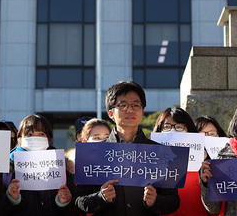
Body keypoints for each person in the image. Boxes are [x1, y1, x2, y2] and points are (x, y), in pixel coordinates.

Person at [75, 81, 180, 215]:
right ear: (111, 113)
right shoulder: (92, 152)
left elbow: (174, 201)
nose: (130, 110)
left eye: (136, 105)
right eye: (123, 105)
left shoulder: (161, 152)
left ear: (142, 112)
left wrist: (155, 201)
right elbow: (79, 200)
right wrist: (101, 197)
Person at [5, 114, 75, 215]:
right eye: (29, 134)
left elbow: (72, 208)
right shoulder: (8, 168)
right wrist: (11, 199)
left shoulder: (62, 167)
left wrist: (64, 202)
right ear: (20, 140)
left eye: (41, 134)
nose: (35, 138)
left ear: (49, 140)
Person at [153, 108, 216, 216]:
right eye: (167, 127)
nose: (173, 131)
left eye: (179, 127)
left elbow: (214, 206)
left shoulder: (203, 163)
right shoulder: (150, 161)